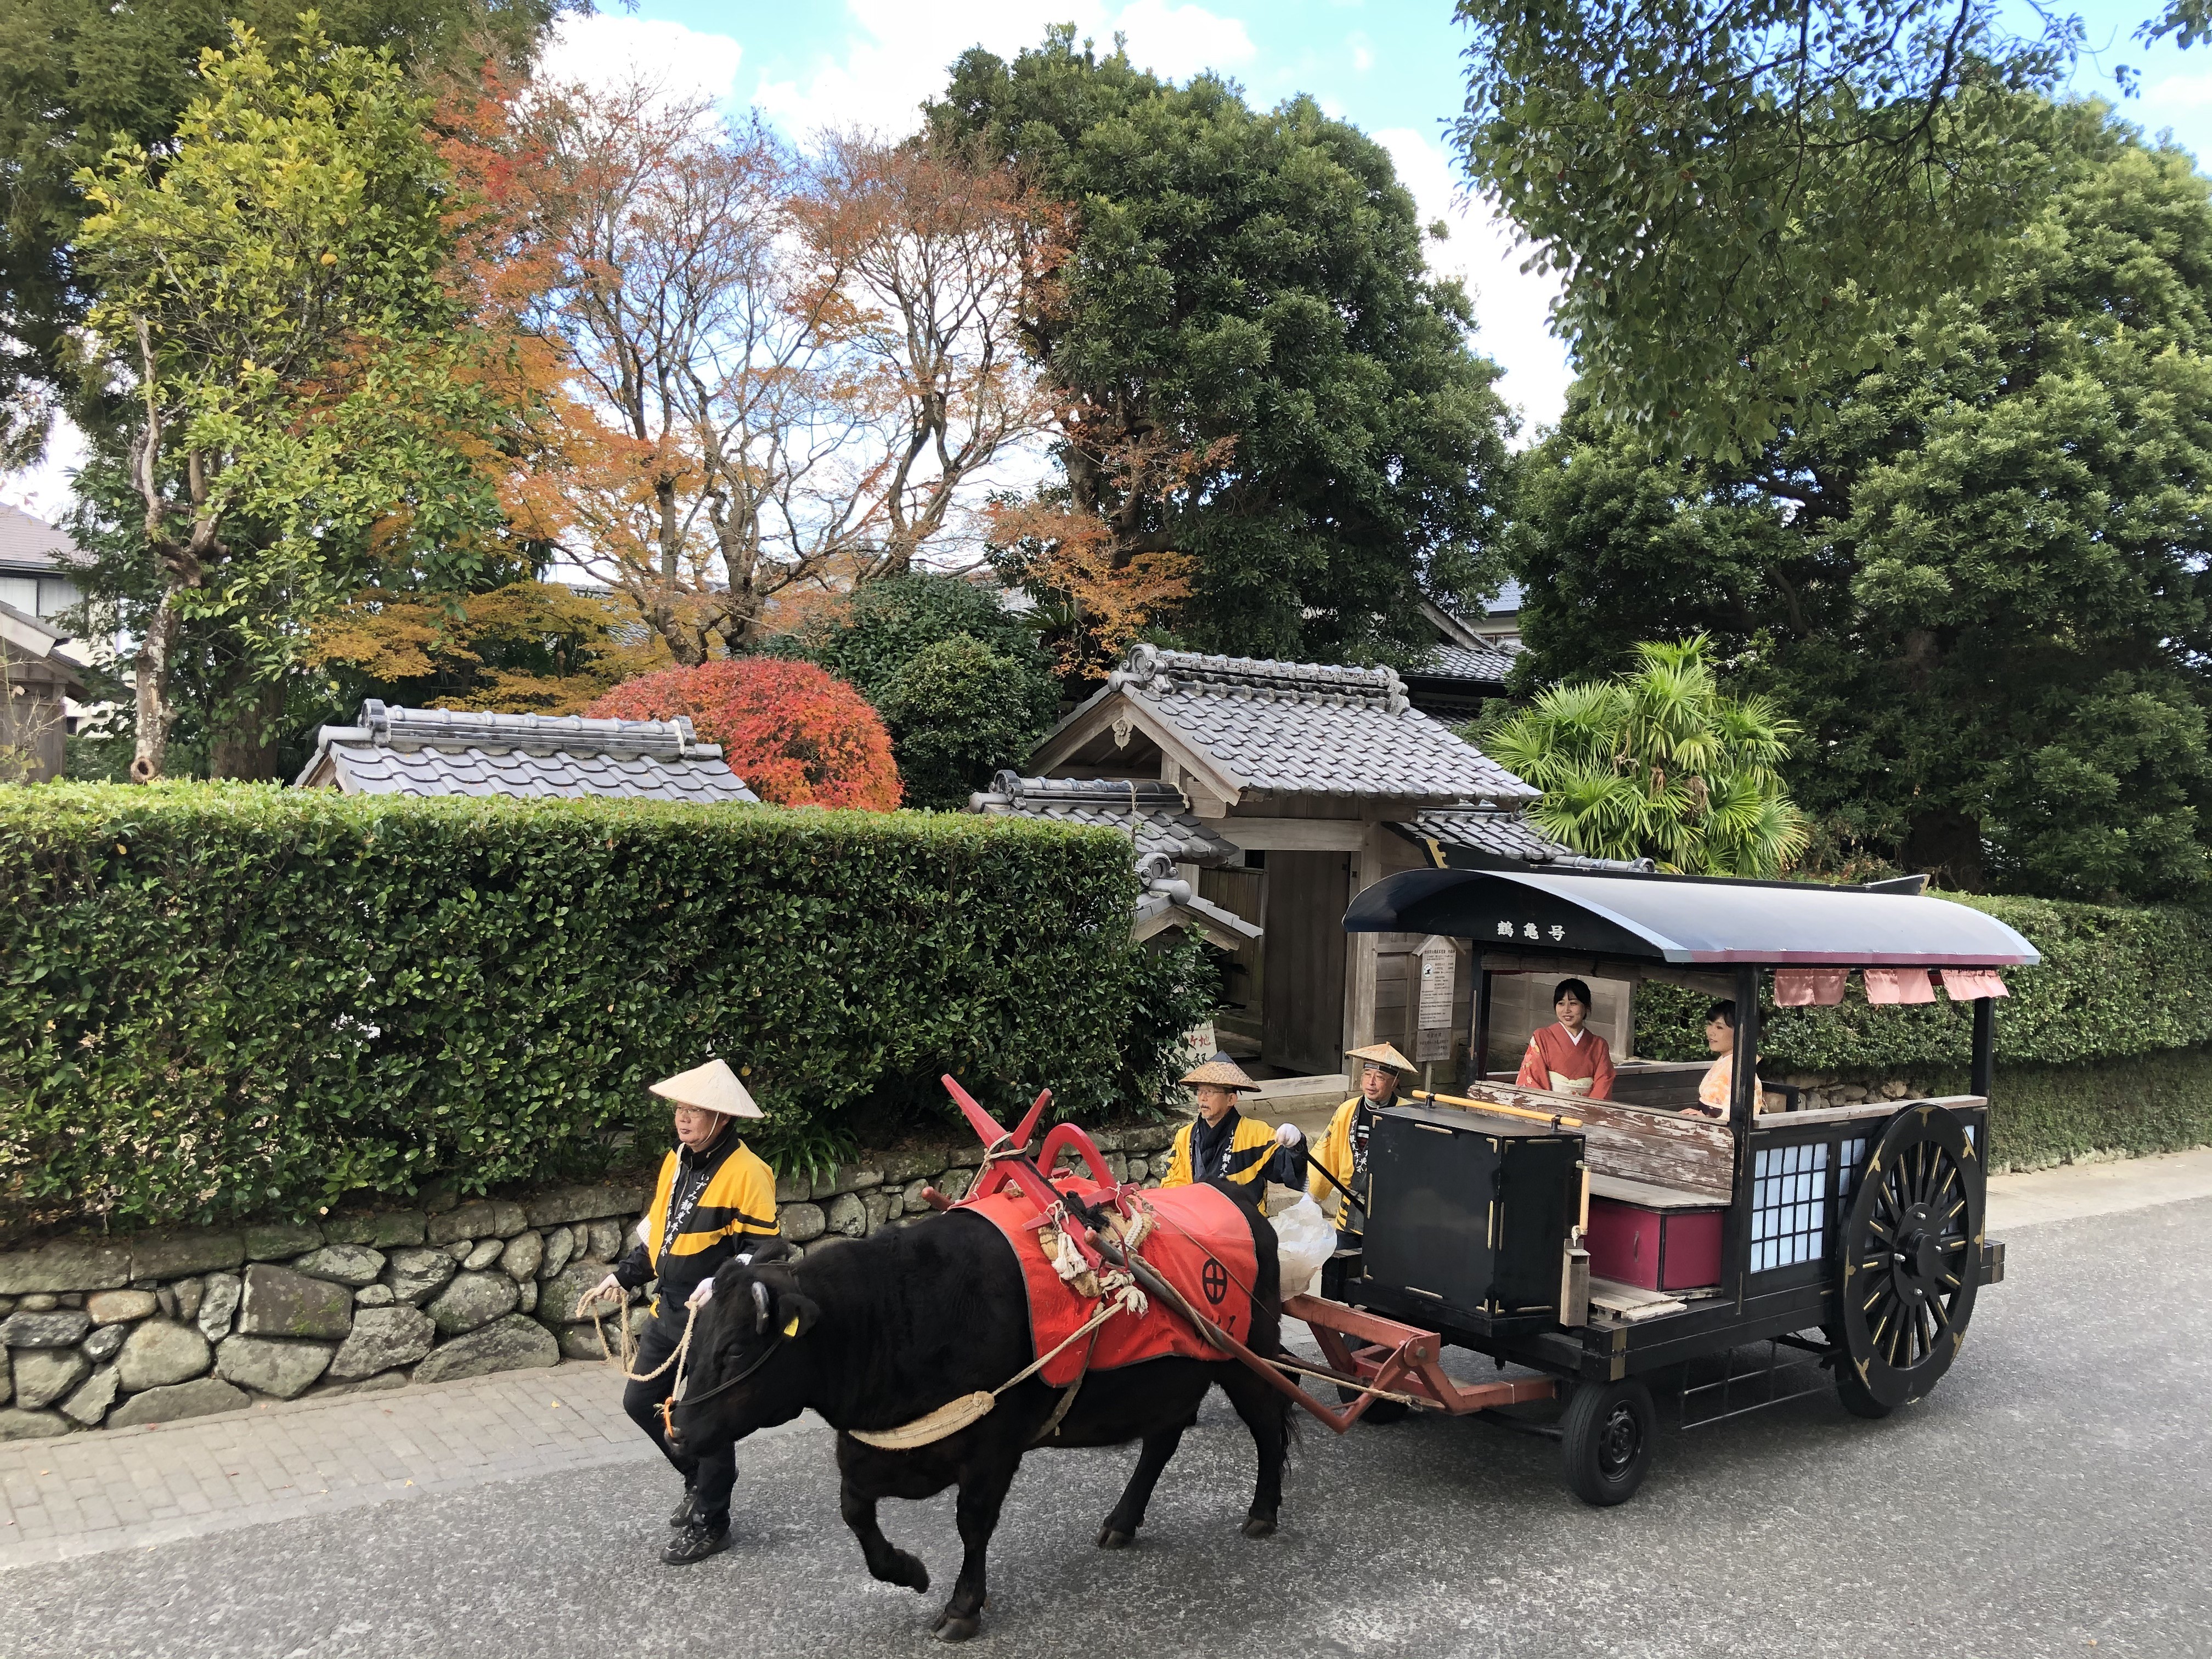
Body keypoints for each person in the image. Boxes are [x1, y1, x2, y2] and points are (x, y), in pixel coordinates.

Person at [591, 1057, 778, 1566]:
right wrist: (625, 1274)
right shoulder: (676, 1159)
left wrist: (717, 1284)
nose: (684, 1118)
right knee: (640, 1400)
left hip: (714, 1315)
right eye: (679, 1108)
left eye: (695, 1110)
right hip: (669, 1307)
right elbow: (660, 1233)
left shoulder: (749, 1171)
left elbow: (765, 1249)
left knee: (705, 1416)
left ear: (722, 1118)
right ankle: (697, 1478)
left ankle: (712, 1523)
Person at [1307, 1043, 1414, 1297]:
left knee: (1383, 1283)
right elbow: (1327, 1151)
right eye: (1368, 1075)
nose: (1372, 1083)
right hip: (1349, 1212)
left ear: (1395, 1081)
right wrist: (1312, 1195)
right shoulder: (1348, 1109)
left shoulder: (1409, 1114)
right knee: (1339, 1281)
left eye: (1380, 1077)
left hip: (1389, 1214)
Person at [1159, 1052, 1306, 1210]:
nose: (1202, 1098)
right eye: (1200, 1091)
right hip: (1198, 1223)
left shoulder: (1255, 1133)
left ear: (1231, 1099)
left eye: (1210, 1092)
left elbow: (1285, 1168)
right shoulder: (1185, 1136)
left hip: (1245, 1224)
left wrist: (1296, 1146)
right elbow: (1172, 1183)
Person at [1515, 978, 1616, 1101]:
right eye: (1561, 1003)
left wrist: (1588, 1111)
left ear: (1587, 1007)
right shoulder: (1541, 1037)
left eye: (1573, 1003)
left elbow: (1604, 1083)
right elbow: (1532, 1077)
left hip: (1585, 1111)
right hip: (1548, 1109)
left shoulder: (1599, 1045)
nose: (1566, 1010)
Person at [1686, 1000, 1762, 1119]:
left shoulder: (1741, 1068)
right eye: (1710, 1024)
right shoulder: (1725, 1061)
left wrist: (1707, 1119)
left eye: (1719, 1027)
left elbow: (1744, 1116)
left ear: (1741, 1032)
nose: (1711, 1032)